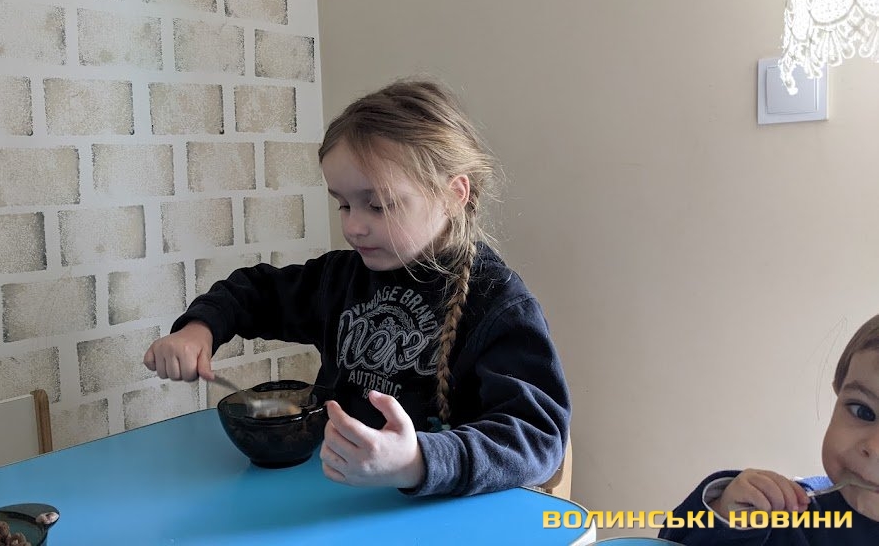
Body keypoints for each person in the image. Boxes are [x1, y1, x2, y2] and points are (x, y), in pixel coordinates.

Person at [143, 78, 571, 497]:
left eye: (378, 205)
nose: (353, 226)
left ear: (453, 195)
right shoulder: (340, 277)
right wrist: (199, 329)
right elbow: (255, 292)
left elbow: (537, 439)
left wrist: (417, 461)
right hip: (337, 498)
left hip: (441, 516)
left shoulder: (498, 305)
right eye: (343, 204)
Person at [659, 313, 879, 545]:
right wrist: (725, 518)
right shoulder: (792, 517)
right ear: (838, 392)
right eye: (863, 411)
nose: (874, 448)